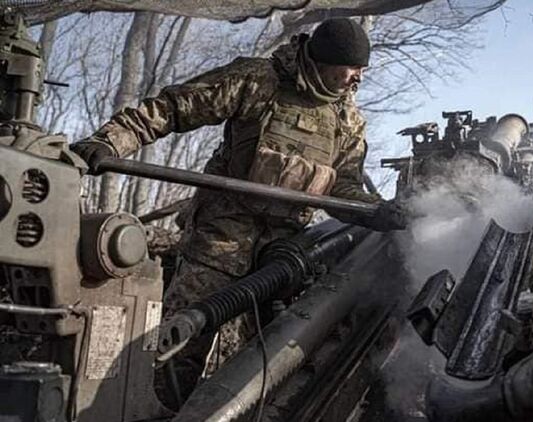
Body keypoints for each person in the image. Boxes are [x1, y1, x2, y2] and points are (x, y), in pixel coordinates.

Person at [70, 17, 406, 406]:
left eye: (362, 69)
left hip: (279, 258)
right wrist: (111, 141)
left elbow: (342, 187)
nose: (358, 78)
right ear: (324, 60)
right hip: (219, 243)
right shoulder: (259, 80)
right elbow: (175, 107)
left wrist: (374, 211)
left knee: (254, 370)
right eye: (351, 68)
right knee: (175, 352)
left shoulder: (348, 121)